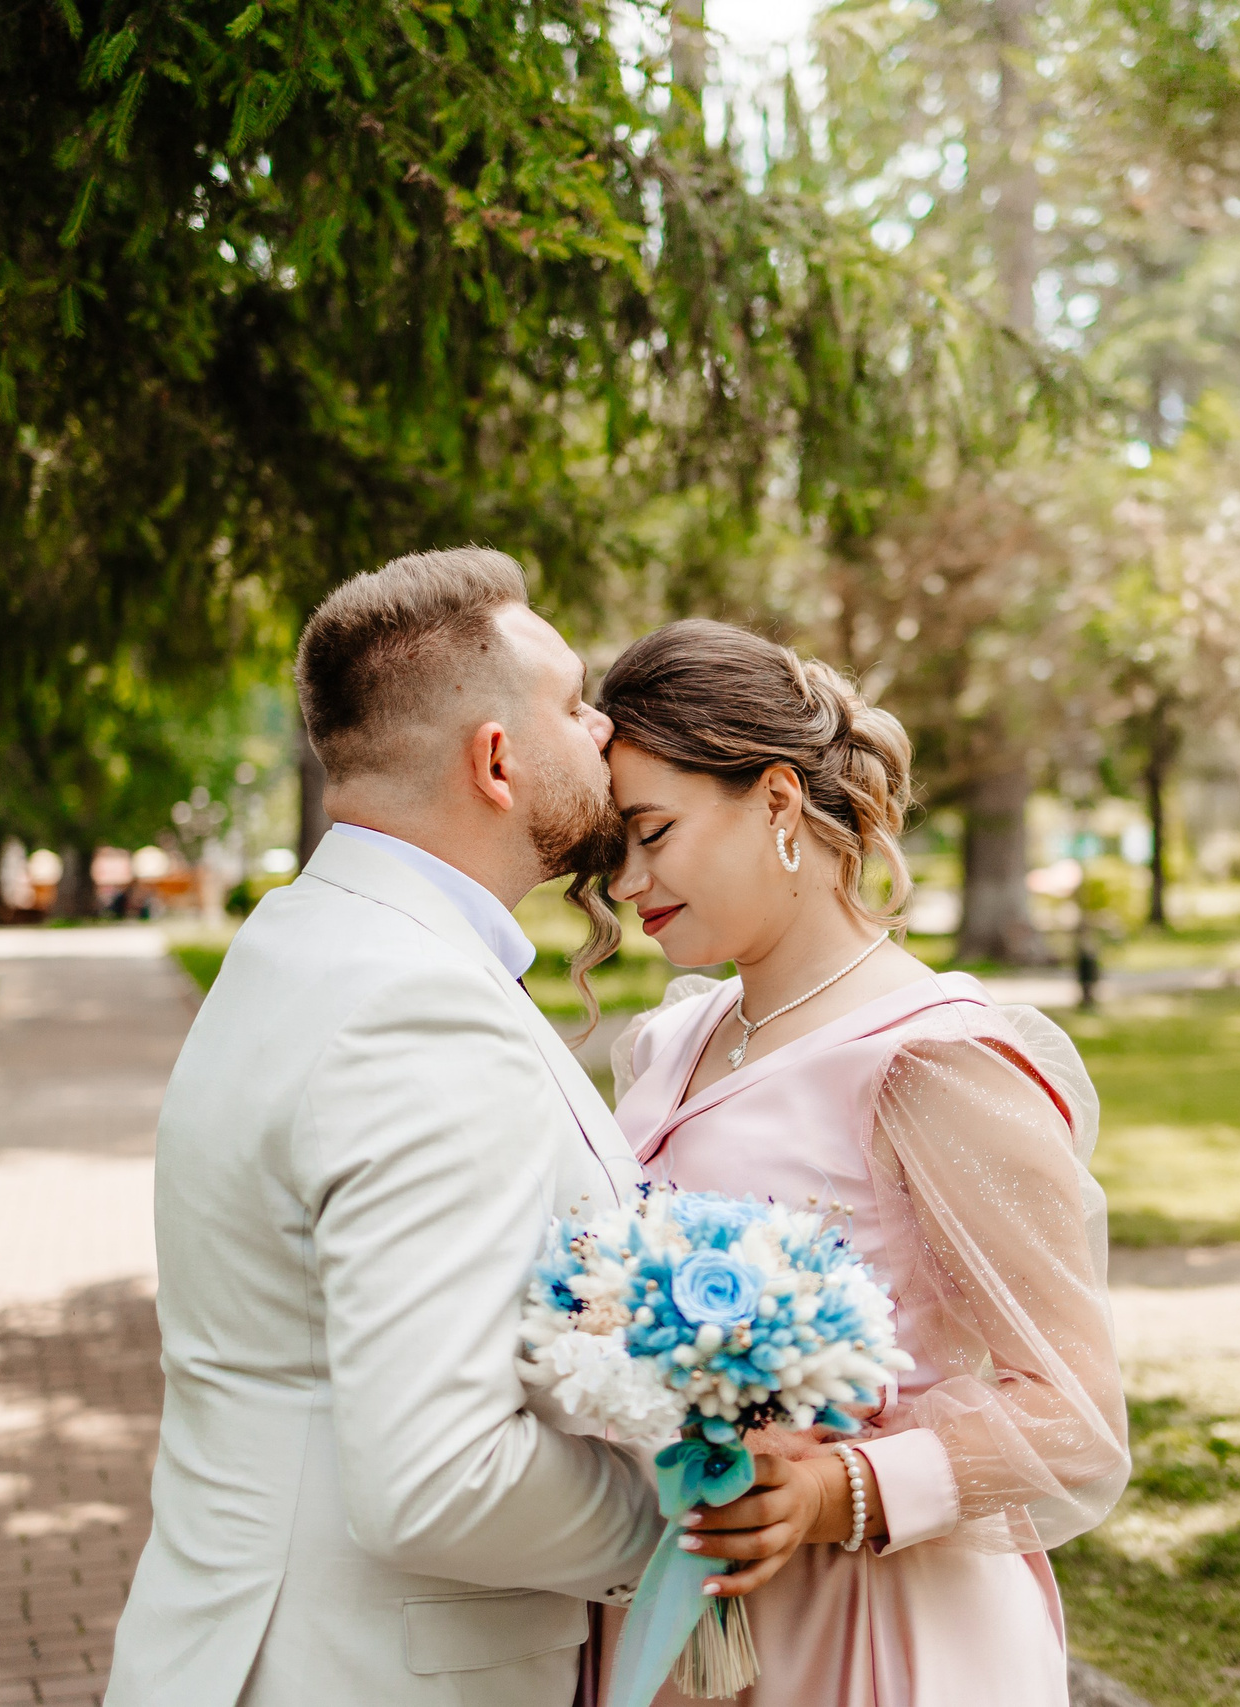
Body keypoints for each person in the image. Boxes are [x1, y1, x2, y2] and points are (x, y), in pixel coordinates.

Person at [107, 554, 816, 1707]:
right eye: (576, 702)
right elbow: (436, 1478)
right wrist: (696, 1517)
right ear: (496, 760)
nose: (602, 728)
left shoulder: (300, 943)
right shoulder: (414, 1009)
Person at [587, 618, 1130, 1706]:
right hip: (671, 1605)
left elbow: (1077, 1416)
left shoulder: (932, 1061)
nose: (627, 884)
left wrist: (843, 1488)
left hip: (866, 1627)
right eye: (614, 852)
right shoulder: (672, 1039)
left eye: (653, 832)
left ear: (778, 802)